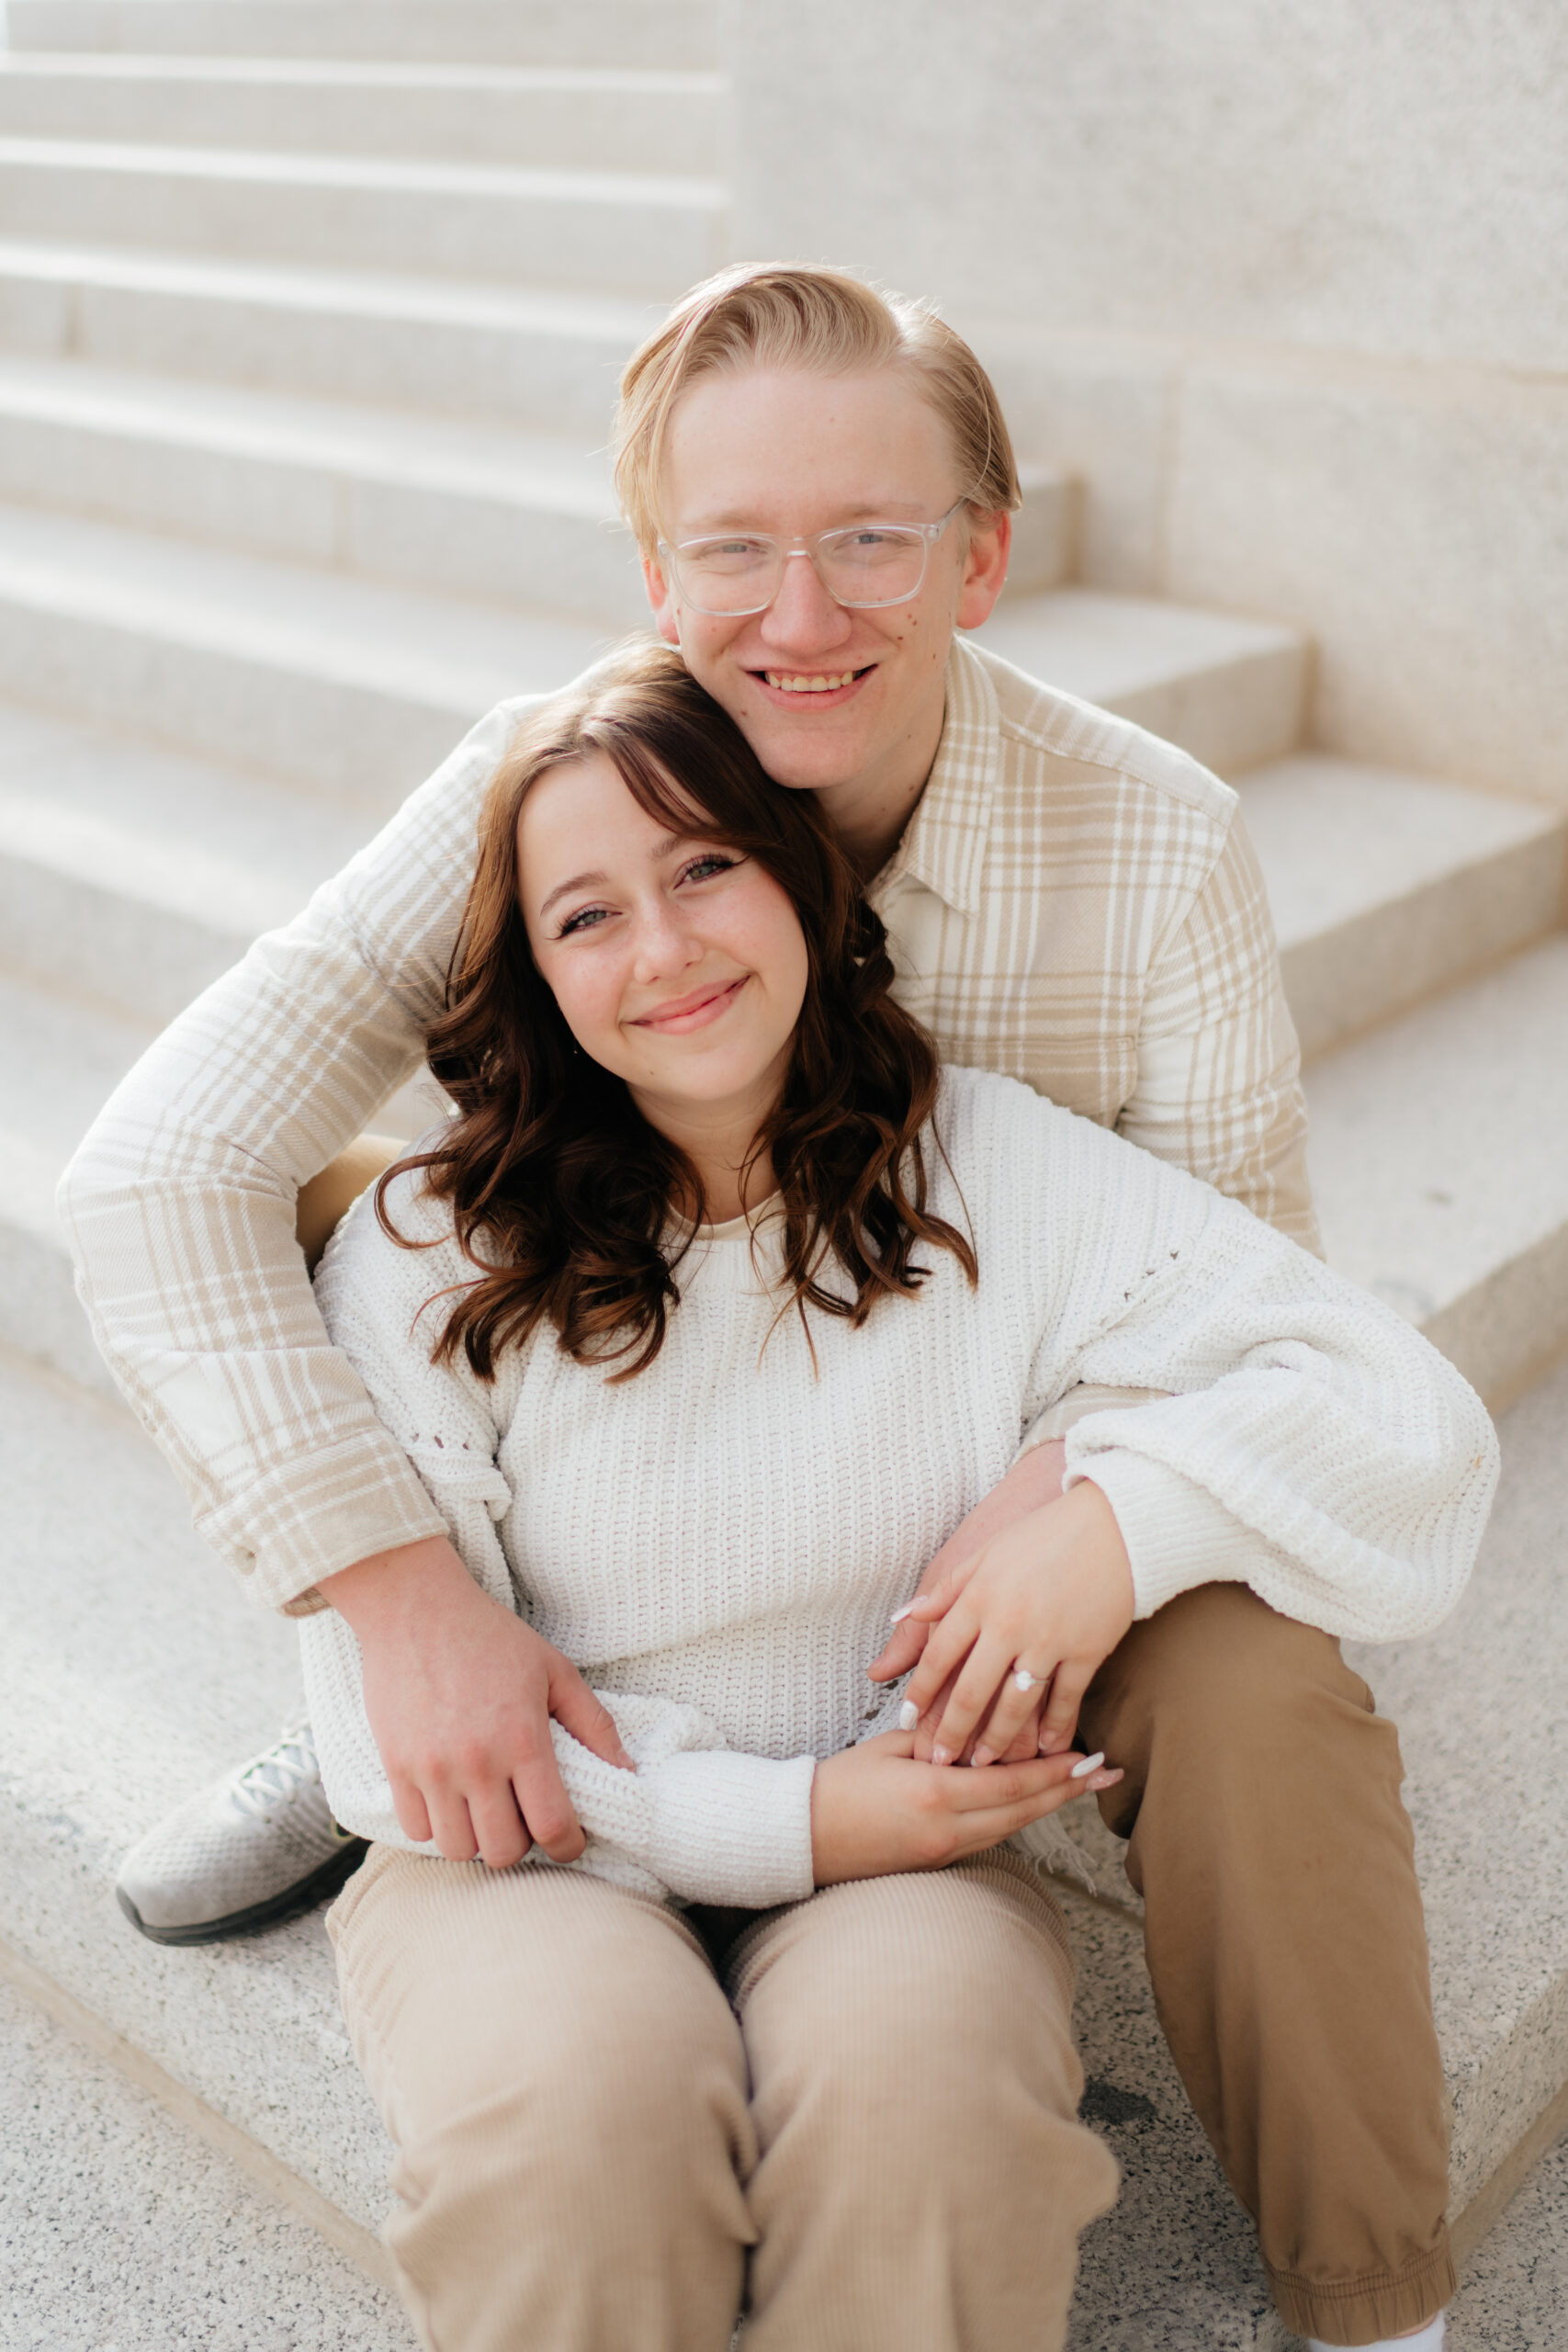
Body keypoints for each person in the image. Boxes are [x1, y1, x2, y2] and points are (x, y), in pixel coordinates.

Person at [60, 264, 1453, 2346]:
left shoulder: (1152, 844)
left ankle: (1372, 2294)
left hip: (987, 1455)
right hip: (575, 1429)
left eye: (870, 536)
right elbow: (155, 1169)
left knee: (1259, 1671)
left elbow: (1251, 1289)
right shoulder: (543, 780)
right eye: (733, 549)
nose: (796, 617)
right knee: (375, 1203)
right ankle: (419, 1679)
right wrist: (402, 1593)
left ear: (982, 554)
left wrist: (1092, 1500)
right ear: (655, 569)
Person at [298, 643, 1492, 2352]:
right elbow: (377, 1737)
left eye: (706, 863)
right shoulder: (428, 1247)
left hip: (908, 1854)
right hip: (523, 1858)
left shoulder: (987, 1166)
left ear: (799, 880)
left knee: (935, 2128)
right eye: (587, 917)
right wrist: (783, 1825)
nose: (667, 948)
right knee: (582, 2137)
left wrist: (1117, 1509)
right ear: (536, 979)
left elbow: (1409, 1415)